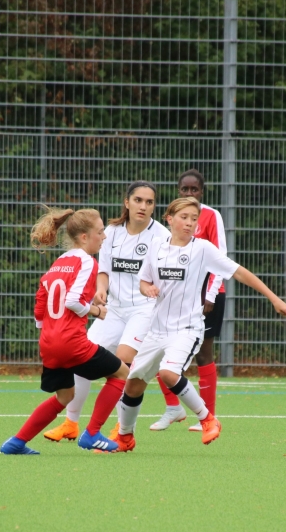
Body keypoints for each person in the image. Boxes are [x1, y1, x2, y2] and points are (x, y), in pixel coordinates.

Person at [108, 197, 286, 452]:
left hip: (187, 329)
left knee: (168, 373)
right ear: (170, 219)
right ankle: (124, 437)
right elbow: (144, 281)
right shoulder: (156, 246)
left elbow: (239, 272)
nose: (190, 223)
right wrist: (148, 289)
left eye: (194, 219)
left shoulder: (202, 249)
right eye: (184, 217)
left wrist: (274, 299)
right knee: (133, 385)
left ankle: (207, 419)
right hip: (156, 330)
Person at [41, 181, 181, 443]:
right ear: (127, 202)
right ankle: (71, 423)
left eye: (149, 202)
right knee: (79, 360)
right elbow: (103, 270)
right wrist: (101, 289)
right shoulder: (111, 232)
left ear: (154, 207)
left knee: (123, 363)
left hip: (144, 310)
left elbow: (168, 277)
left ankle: (121, 428)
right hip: (113, 310)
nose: (143, 206)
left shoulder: (162, 236)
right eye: (138, 200)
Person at [0, 206, 128, 455]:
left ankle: (15, 443)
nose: (104, 237)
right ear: (84, 237)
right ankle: (92, 434)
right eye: (100, 232)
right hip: (71, 342)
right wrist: (96, 311)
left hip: (49, 341)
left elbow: (40, 306)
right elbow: (71, 301)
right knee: (121, 373)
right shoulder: (88, 262)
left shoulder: (59, 262)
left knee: (65, 396)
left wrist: (50, 330)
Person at [150, 169, 227, 432]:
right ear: (178, 190)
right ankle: (173, 408)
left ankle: (208, 415)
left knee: (204, 353)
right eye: (185, 189)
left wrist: (211, 294)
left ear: (202, 192)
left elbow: (221, 257)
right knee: (162, 349)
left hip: (208, 294)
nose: (190, 193)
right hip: (177, 294)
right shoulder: (174, 217)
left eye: (195, 189)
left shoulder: (211, 215)